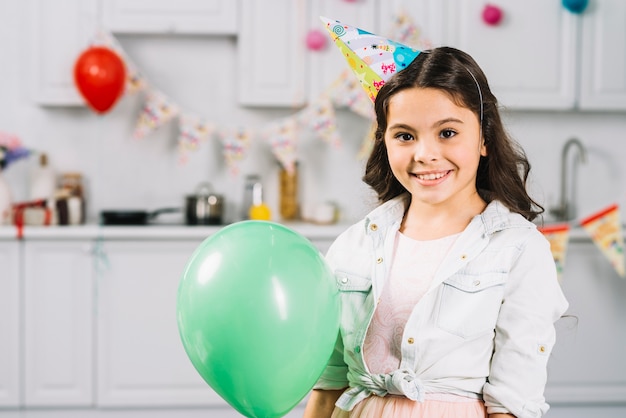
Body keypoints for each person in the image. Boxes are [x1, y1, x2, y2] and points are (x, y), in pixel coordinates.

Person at [304, 18, 569, 418]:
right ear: (385, 140)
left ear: (483, 137)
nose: (424, 154)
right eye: (405, 135)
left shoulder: (518, 249)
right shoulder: (355, 245)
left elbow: (512, 405)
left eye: (447, 133)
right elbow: (328, 386)